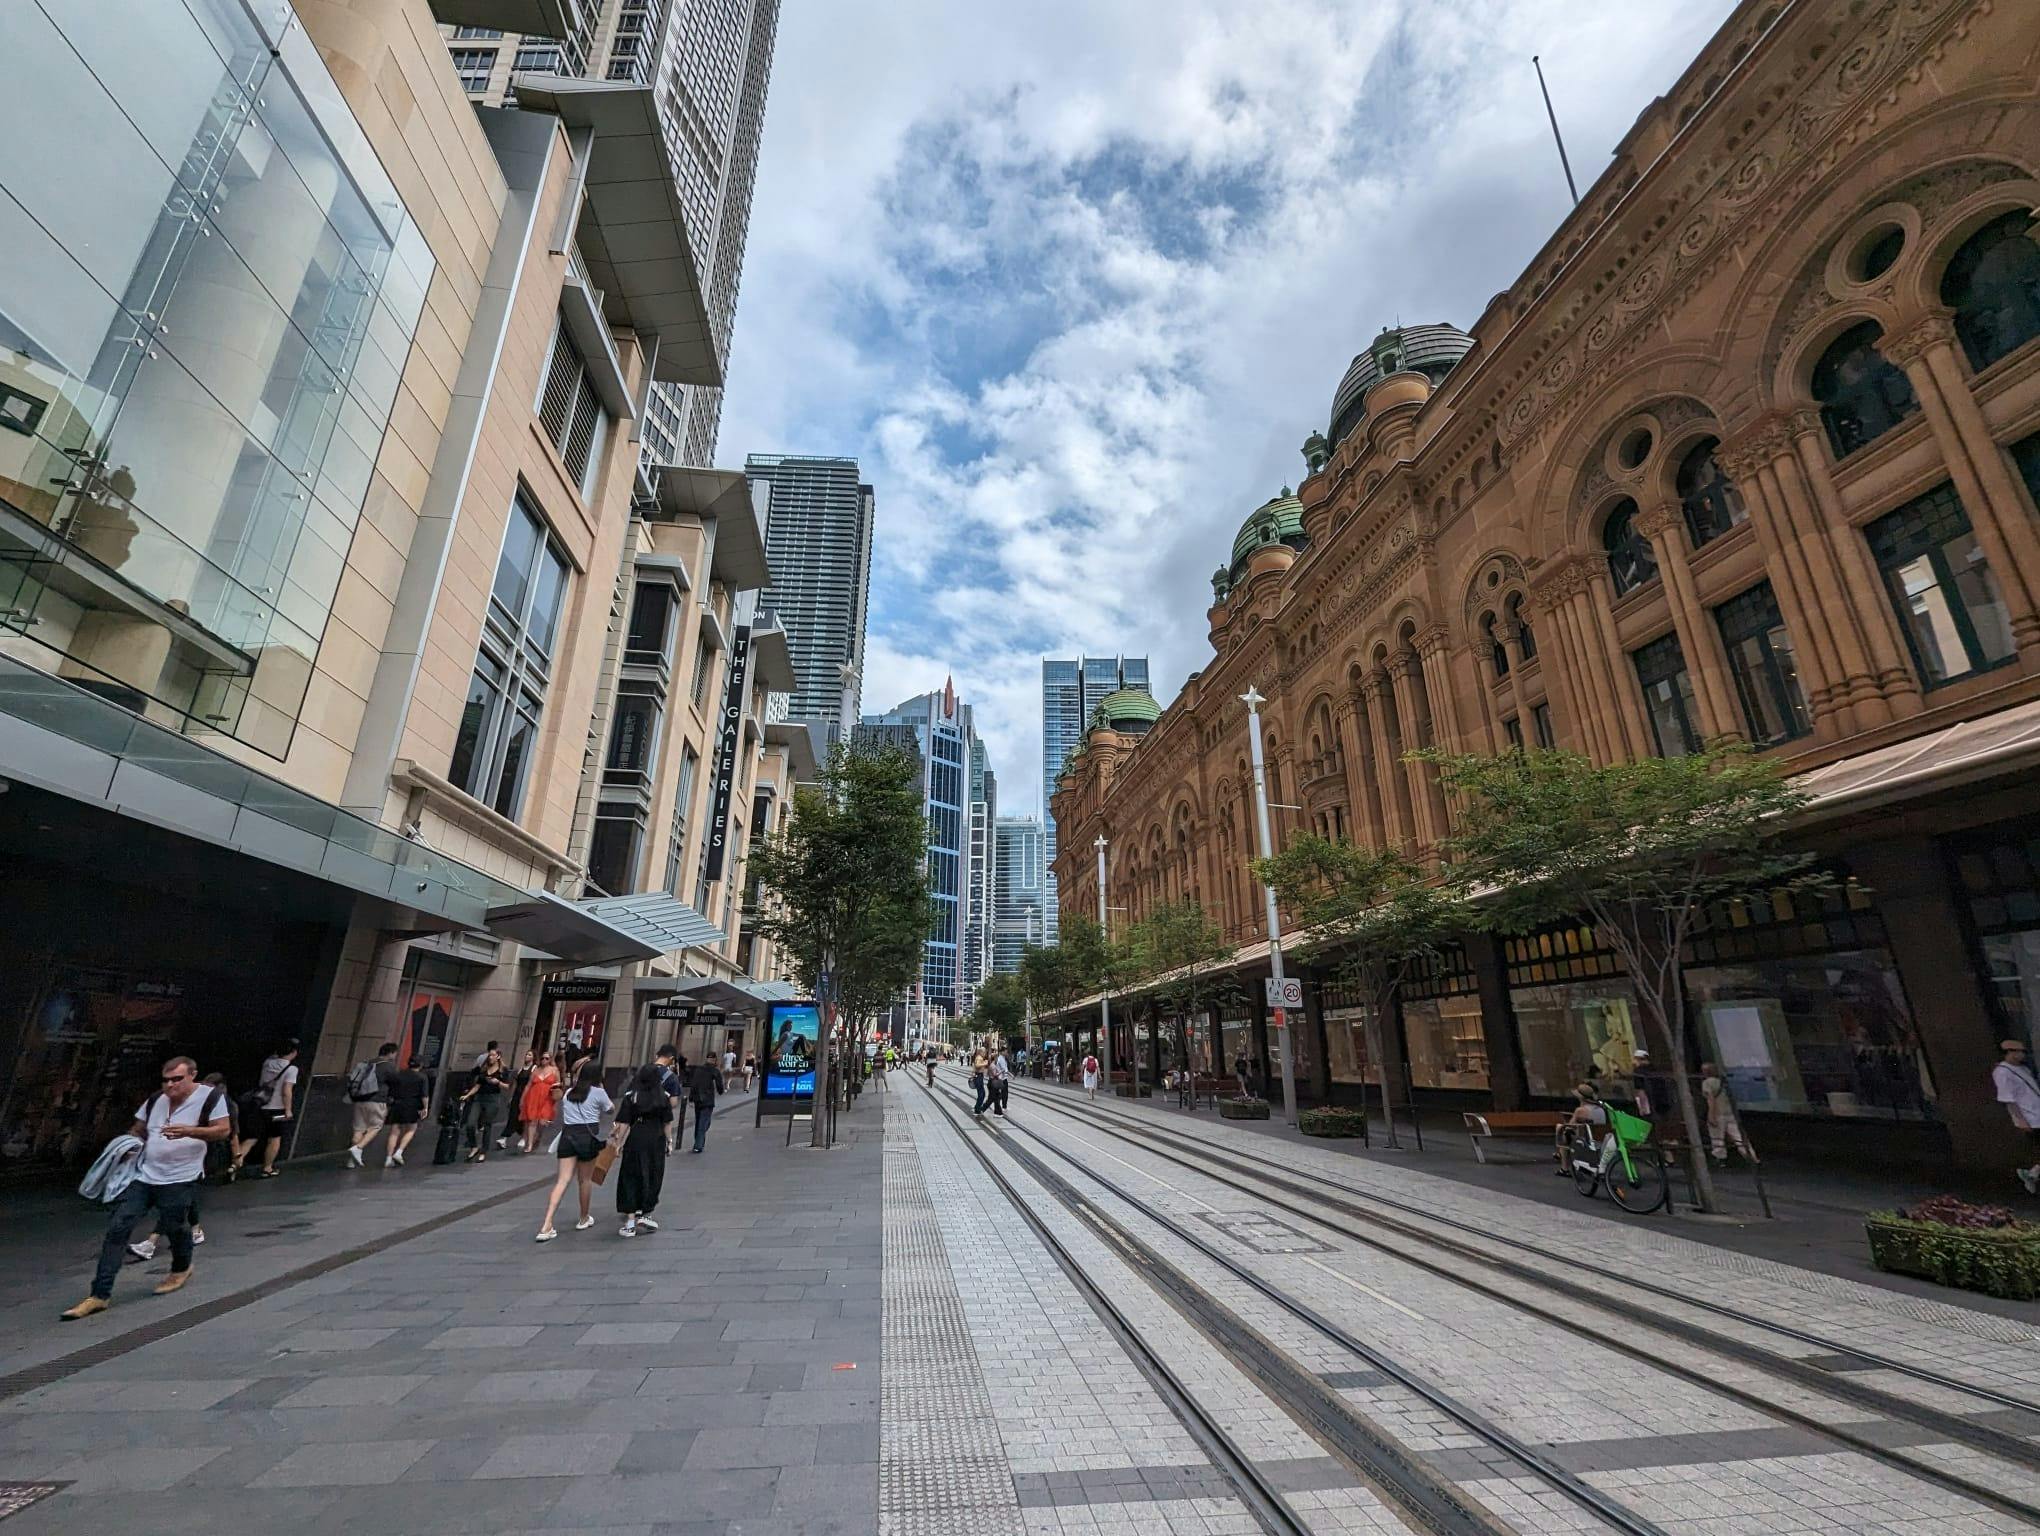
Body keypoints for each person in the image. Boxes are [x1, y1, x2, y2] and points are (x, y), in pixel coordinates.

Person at [63, 1058, 232, 1320]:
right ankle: (99, 1294)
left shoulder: (210, 1097)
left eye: (177, 1079)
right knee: (118, 1226)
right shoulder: (156, 1100)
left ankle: (181, 1267)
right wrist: (130, 1146)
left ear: (193, 1076)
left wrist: (190, 1131)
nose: (170, 1085)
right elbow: (139, 1128)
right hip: (145, 1176)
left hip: (181, 1177)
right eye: (166, 1080)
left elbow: (223, 1130)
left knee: (175, 1226)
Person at [536, 1060, 613, 1241]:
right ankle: (584, 1217)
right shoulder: (599, 1092)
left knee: (562, 1180)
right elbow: (610, 1109)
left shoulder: (569, 1092)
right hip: (587, 1138)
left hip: (568, 1136)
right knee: (585, 1180)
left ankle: (546, 1224)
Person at [614, 1063, 672, 1238]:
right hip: (656, 1139)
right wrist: (669, 1142)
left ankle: (630, 1221)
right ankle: (646, 1213)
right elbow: (667, 1122)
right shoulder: (663, 1097)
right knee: (653, 1173)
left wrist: (619, 1143)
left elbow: (624, 1122)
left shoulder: (632, 1097)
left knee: (630, 1175)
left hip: (636, 1137)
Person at [232, 1040, 298, 1179]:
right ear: (293, 1053)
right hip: (277, 1108)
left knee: (252, 1137)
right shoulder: (292, 1069)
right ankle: (267, 1168)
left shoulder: (267, 1063)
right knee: (274, 1138)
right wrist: (288, 1109)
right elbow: (287, 1091)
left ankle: (235, 1163)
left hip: (259, 1105)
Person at [1992, 1039, 2040, 1195]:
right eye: (2018, 1051)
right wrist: (2020, 1119)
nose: (2021, 1055)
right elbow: (2008, 1099)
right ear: (2008, 1053)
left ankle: (2033, 1173)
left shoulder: (2024, 1069)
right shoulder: (2002, 1072)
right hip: (2030, 1117)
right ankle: (2032, 1174)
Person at [345, 1042, 398, 1168]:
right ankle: (358, 1148)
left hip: (360, 1100)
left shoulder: (367, 1063)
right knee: (375, 1127)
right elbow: (396, 1083)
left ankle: (351, 1161)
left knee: (358, 1130)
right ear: (390, 1053)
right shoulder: (388, 1067)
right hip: (377, 1100)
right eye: (395, 1053)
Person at [1700, 1061, 1757, 1166]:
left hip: (1718, 1114)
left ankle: (1720, 1159)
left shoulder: (1707, 1083)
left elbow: (1711, 1099)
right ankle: (1751, 1156)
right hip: (1729, 1112)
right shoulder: (1723, 1081)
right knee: (1738, 1136)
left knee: (1717, 1137)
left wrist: (1711, 1115)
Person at [459, 1049, 511, 1163]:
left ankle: (483, 1151)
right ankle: (474, 1146)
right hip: (479, 1098)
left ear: (498, 1056)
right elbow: (478, 1085)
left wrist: (498, 1082)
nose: (490, 1057)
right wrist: (467, 1095)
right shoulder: (484, 1068)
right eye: (489, 1055)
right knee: (470, 1124)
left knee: (487, 1125)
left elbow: (507, 1086)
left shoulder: (503, 1070)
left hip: (493, 1099)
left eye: (492, 1055)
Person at [382, 1054, 429, 1166]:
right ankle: (399, 1152)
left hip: (397, 1104)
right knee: (412, 1129)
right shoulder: (422, 1077)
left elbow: (391, 1090)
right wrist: (425, 1108)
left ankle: (388, 1158)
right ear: (421, 1065)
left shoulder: (398, 1074)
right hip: (412, 1105)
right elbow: (424, 1095)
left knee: (394, 1131)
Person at [518, 1052, 561, 1154]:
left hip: (547, 1098)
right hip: (533, 1097)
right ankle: (530, 1144)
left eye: (546, 1058)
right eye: (542, 1058)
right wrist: (522, 1098)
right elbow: (528, 1085)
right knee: (532, 1121)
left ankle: (538, 1137)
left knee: (542, 1122)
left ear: (550, 1059)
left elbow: (559, 1083)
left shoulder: (554, 1070)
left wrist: (556, 1095)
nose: (544, 1060)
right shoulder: (536, 1070)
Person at [687, 1055, 724, 1153]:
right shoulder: (714, 1070)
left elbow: (693, 1084)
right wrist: (721, 1091)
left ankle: (698, 1142)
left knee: (699, 1120)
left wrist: (691, 1098)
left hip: (698, 1099)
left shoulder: (699, 1070)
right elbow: (719, 1083)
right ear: (715, 1060)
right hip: (707, 1099)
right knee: (704, 1122)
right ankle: (698, 1144)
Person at [500, 1049, 535, 1150]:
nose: (527, 1056)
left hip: (527, 1095)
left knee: (524, 1117)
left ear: (533, 1057)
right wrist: (511, 1097)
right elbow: (515, 1083)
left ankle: (523, 1138)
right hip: (517, 1094)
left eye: (529, 1055)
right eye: (526, 1054)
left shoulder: (533, 1069)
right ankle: (504, 1138)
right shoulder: (520, 1069)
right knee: (512, 1115)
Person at [655, 1045, 684, 1153]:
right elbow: (673, 1103)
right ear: (671, 1059)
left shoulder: (642, 1071)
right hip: (658, 1124)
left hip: (638, 1126)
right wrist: (669, 1141)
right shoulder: (671, 1077)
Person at [989, 1047, 1011, 1117]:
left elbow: (1005, 1069)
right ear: (1002, 1052)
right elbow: (1004, 1069)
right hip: (1001, 1078)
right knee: (1003, 1093)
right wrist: (1010, 1074)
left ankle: (1002, 1106)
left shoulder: (1003, 1058)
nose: (1006, 1053)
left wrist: (1010, 1074)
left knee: (1002, 1093)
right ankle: (1003, 1107)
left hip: (1002, 1077)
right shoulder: (1001, 1059)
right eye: (1005, 1051)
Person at [970, 1046, 990, 1118]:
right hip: (978, 1076)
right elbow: (977, 1065)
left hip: (979, 1076)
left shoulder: (979, 1057)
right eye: (985, 1052)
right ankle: (977, 1109)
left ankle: (977, 1107)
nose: (985, 1054)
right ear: (982, 1052)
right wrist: (985, 1063)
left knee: (982, 1093)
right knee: (981, 1093)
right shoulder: (979, 1058)